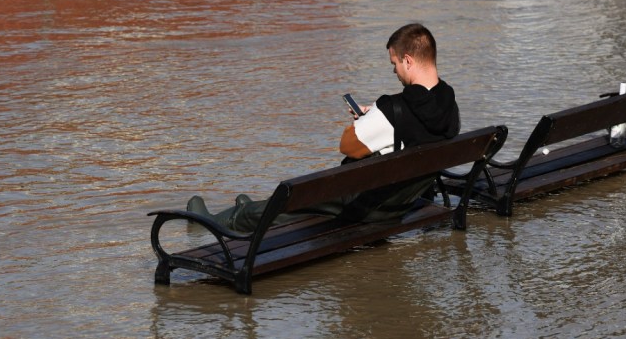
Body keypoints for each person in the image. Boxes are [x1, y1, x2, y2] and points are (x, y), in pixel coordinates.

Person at [187, 23, 460, 231]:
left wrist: (369, 119)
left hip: (367, 205)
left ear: (408, 60)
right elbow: (413, 129)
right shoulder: (448, 103)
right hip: (400, 202)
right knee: (298, 206)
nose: (394, 72)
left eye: (395, 64)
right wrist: (375, 117)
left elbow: (348, 146)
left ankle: (216, 221)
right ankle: (250, 207)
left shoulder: (393, 108)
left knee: (291, 201)